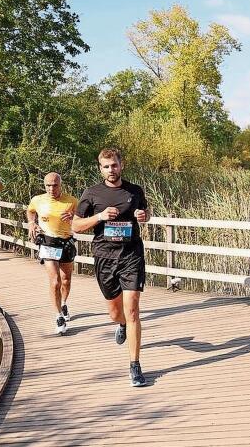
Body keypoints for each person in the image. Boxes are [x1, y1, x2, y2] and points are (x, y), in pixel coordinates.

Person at [72, 148, 150, 387]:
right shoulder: (92, 193)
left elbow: (148, 212)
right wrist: (100, 217)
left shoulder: (135, 190)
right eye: (106, 167)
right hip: (105, 256)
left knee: (133, 308)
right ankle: (122, 324)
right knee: (116, 313)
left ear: (121, 165)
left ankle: (135, 366)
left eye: (114, 165)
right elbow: (76, 225)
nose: (111, 170)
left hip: (131, 255)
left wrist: (144, 215)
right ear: (100, 168)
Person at [27, 172, 78, 335]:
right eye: (48, 185)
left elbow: (82, 220)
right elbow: (31, 211)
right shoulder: (38, 200)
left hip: (66, 242)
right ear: (44, 185)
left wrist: (73, 217)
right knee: (55, 281)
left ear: (60, 185)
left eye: (55, 185)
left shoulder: (71, 201)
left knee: (66, 280)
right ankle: (58, 316)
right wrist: (31, 223)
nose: (51, 188)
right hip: (48, 242)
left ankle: (63, 304)